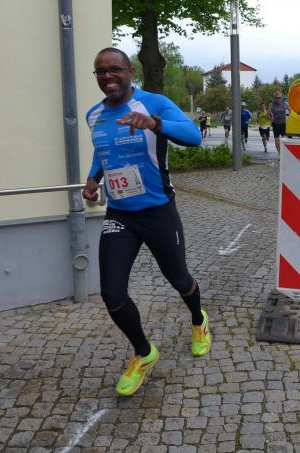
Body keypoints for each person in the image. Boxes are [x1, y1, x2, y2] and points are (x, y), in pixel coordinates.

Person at [83, 47, 212, 397]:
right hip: (120, 215)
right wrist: (93, 178)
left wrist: (155, 124)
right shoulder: (94, 115)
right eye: (100, 72)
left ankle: (198, 321)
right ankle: (143, 352)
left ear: (130, 71)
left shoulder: (154, 103)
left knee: (179, 279)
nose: (107, 76)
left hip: (158, 211)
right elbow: (102, 149)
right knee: (112, 294)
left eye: (114, 69)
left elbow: (193, 136)